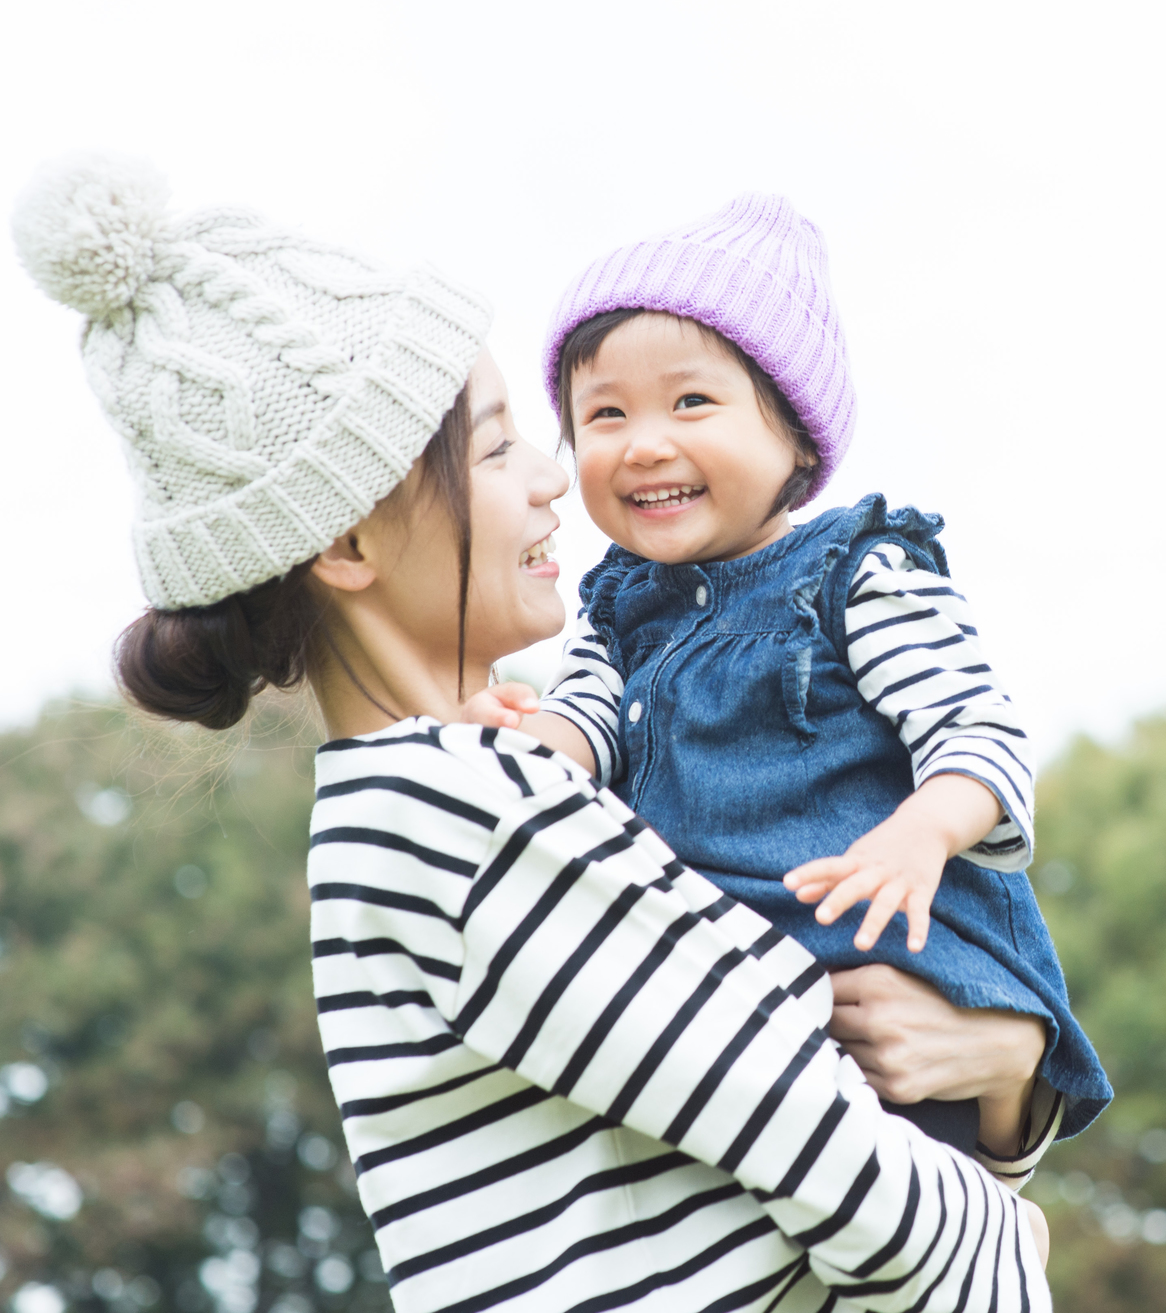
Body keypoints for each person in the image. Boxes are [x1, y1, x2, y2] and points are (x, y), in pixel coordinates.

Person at [13, 156, 1051, 1311]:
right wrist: (1008, 1195)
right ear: (349, 543)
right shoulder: (453, 809)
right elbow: (873, 1193)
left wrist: (1000, 1088)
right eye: (503, 446)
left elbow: (808, 1116)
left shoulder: (466, 791)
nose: (562, 477)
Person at [461, 196, 1112, 1157]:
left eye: (691, 402)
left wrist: (921, 833)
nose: (642, 442)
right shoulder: (620, 607)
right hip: (743, 1013)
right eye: (604, 413)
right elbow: (580, 730)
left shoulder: (858, 576)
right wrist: (520, 744)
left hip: (895, 979)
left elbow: (981, 735)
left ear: (797, 438)